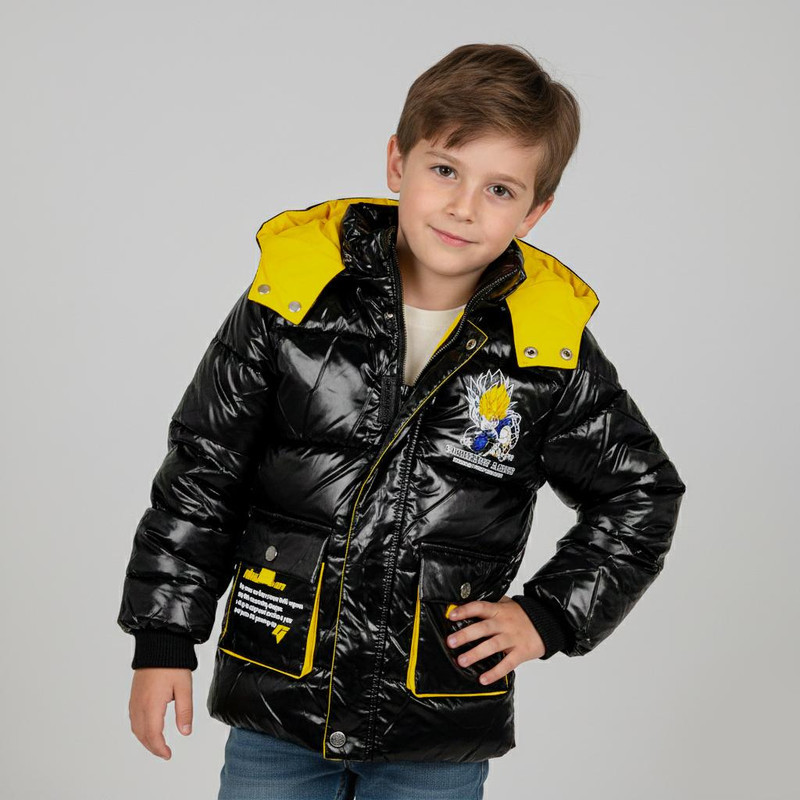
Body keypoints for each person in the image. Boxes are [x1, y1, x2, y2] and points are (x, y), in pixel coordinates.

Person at [117, 43, 686, 799]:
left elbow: (642, 493)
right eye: (445, 170)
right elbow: (204, 467)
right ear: (397, 162)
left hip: (435, 719)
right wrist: (163, 636)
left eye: (499, 189)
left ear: (534, 211)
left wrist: (549, 615)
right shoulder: (293, 299)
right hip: (280, 694)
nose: (463, 207)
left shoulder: (546, 348)